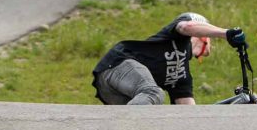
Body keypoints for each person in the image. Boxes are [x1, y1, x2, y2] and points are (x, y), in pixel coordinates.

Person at [91, 12, 247, 105]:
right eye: (207, 42)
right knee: (154, 93)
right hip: (118, 64)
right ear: (200, 35)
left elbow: (190, 117)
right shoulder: (177, 34)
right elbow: (187, 27)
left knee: (150, 117)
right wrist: (225, 33)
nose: (206, 51)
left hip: (120, 92)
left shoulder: (182, 78)